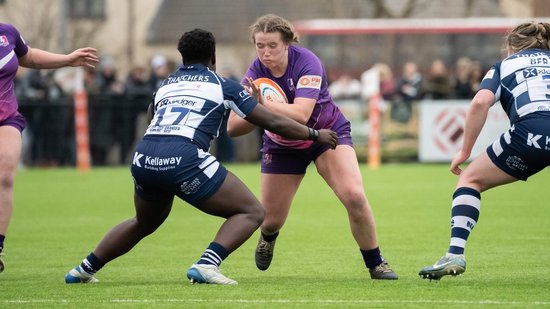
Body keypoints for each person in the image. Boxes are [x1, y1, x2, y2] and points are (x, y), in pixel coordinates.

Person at [64, 28, 338, 285]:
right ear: (213, 56)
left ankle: (83, 269)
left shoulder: (166, 84)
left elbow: (151, 118)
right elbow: (273, 122)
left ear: (182, 57)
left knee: (143, 222)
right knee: (252, 212)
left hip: (144, 156)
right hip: (184, 156)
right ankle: (208, 264)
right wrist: (315, 134)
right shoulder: (223, 85)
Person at [227, 14, 398, 280]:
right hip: (281, 143)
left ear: (287, 44)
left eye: (272, 45)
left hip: (326, 134)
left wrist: (257, 106)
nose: (265, 52)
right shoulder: (254, 73)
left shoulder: (307, 62)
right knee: (270, 220)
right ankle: (268, 238)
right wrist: (250, 111)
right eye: (260, 45)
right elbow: (233, 128)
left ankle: (376, 263)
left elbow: (301, 114)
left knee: (354, 195)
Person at [419, 21, 550, 280]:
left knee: (470, 178)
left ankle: (455, 254)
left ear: (512, 45)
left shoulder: (504, 66)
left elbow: (480, 102)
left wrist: (465, 150)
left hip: (532, 133)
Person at [0, 23, 99, 273]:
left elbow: (29, 56)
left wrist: (68, 59)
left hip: (5, 116)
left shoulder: (7, 32)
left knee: (4, 178)